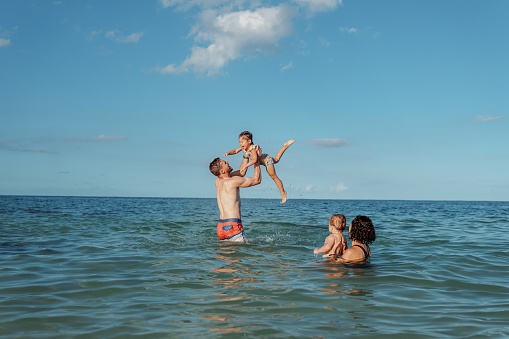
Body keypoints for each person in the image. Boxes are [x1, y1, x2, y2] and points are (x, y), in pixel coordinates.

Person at [223, 131, 294, 203]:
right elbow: (235, 151)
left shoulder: (253, 148)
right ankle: (285, 146)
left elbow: (254, 160)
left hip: (266, 161)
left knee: (274, 176)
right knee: (276, 159)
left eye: (242, 142)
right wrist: (228, 153)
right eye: (239, 142)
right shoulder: (244, 147)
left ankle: (283, 192)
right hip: (263, 159)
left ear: (249, 141)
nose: (240, 144)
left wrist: (246, 166)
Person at [209, 147, 262, 242]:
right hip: (232, 225)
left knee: (226, 256)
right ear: (222, 171)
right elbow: (257, 180)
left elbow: (241, 172)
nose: (227, 161)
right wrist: (256, 160)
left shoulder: (218, 181)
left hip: (221, 227)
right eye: (224, 163)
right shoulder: (232, 181)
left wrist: (246, 157)